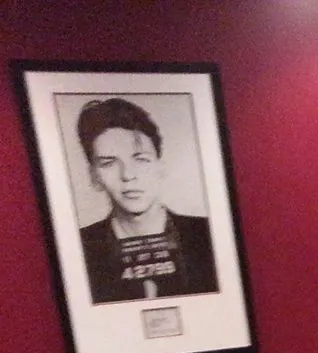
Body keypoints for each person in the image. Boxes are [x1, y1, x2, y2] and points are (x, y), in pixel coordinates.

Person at [75, 97, 219, 304]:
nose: (128, 175)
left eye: (141, 159)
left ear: (161, 167)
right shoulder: (79, 248)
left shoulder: (208, 235)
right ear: (94, 176)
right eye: (109, 163)